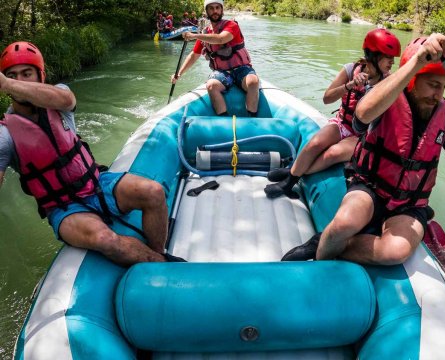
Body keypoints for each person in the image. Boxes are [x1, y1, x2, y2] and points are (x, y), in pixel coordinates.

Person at [282, 33, 445, 265]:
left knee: (394, 252)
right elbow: (362, 114)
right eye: (433, 85)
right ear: (412, 79)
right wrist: (417, 61)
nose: (438, 95)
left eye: (444, 87)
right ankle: (326, 246)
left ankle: (335, 246)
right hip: (370, 187)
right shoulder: (386, 96)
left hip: (410, 204)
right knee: (343, 225)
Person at [0, 41, 184, 266]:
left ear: (41, 75)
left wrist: (7, 83)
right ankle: (163, 265)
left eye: (26, 73)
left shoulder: (61, 95)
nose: (20, 80)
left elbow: (65, 100)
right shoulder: (5, 134)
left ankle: (158, 252)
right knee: (104, 238)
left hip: (96, 182)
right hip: (63, 208)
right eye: (13, 75)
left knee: (154, 192)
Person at [264, 29, 401, 199]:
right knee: (315, 143)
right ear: (374, 55)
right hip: (342, 123)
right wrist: (349, 86)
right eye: (388, 57)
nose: (392, 62)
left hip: (364, 136)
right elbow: (326, 99)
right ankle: (289, 181)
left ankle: (292, 175)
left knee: (333, 153)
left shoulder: (389, 83)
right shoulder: (351, 69)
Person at [171, 0, 259, 117]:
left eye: (218, 8)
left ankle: (252, 118)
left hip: (242, 68)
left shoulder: (232, 25)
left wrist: (194, 35)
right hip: (222, 73)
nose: (215, 11)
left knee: (253, 82)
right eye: (211, 8)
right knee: (211, 85)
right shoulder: (205, 33)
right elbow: (194, 55)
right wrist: (179, 74)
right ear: (206, 11)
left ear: (222, 10)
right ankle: (224, 119)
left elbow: (221, 39)